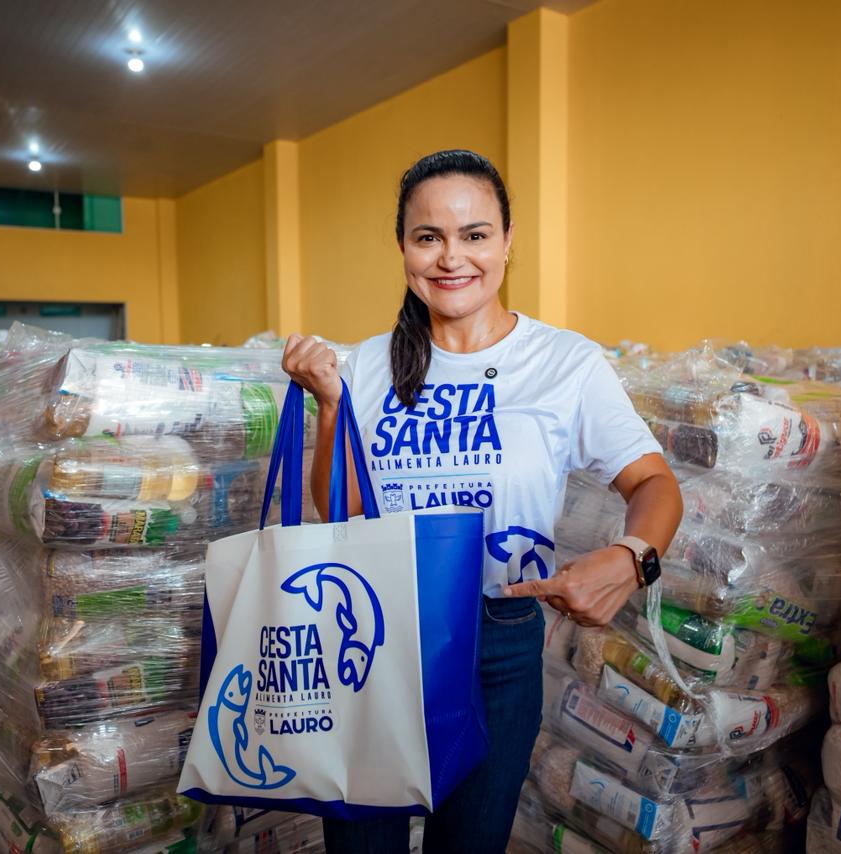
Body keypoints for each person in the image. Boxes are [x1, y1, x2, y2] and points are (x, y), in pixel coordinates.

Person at [281, 149, 682, 853]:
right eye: (427, 237)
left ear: (507, 240)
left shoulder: (566, 363)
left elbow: (655, 484)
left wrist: (631, 557)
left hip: (501, 640)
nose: (449, 258)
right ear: (403, 246)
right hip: (373, 636)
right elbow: (338, 517)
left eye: (474, 234)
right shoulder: (368, 364)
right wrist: (328, 407)